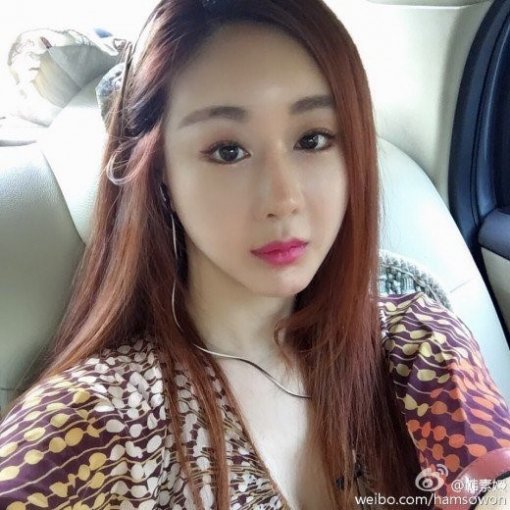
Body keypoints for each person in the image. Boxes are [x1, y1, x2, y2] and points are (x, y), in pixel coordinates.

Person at [1, 0, 510, 509]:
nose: (283, 199)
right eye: (228, 151)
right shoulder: (91, 430)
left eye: (313, 139)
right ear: (160, 174)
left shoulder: (419, 348)